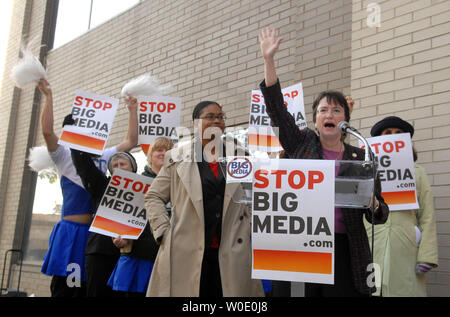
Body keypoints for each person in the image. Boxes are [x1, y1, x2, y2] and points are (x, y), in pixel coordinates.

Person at [258, 26, 389, 297]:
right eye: (323, 110)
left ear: (345, 119)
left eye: (336, 109)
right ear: (316, 120)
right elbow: (277, 111)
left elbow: (380, 214)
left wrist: (374, 203)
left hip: (347, 251)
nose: (329, 113)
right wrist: (268, 61)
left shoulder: (362, 155)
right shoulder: (301, 143)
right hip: (302, 248)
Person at [144, 101, 264, 297]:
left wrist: (248, 223)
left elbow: (255, 195)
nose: (217, 120)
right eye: (210, 116)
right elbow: (154, 196)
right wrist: (164, 231)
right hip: (186, 251)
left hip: (232, 250)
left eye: (221, 117)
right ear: (195, 123)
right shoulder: (176, 158)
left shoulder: (241, 156)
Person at [37, 79, 138, 297]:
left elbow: (131, 140)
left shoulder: (107, 155)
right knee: (67, 288)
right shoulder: (63, 154)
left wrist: (132, 109)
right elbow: (47, 132)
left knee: (90, 289)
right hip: (72, 233)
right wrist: (49, 97)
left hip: (98, 235)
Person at [367, 116, 438, 296]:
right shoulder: (367, 170)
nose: (393, 136)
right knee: (371, 288)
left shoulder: (418, 172)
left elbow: (427, 214)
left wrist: (427, 256)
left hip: (406, 244)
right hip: (373, 241)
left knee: (404, 289)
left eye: (399, 134)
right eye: (388, 133)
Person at [107, 137, 174, 297]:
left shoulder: (181, 182)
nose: (163, 153)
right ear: (150, 155)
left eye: (168, 150)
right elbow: (119, 221)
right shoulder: (133, 182)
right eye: (159, 150)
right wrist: (119, 238)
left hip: (167, 260)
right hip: (136, 260)